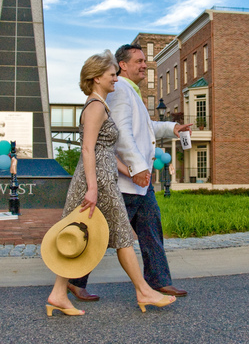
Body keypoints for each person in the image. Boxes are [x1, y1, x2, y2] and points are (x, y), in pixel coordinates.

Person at [45, 50, 176, 316]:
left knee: (86, 233)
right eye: (112, 74)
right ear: (96, 78)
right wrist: (92, 188)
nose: (116, 79)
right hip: (97, 181)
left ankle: (59, 293)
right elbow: (88, 150)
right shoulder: (95, 107)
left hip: (105, 177)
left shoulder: (102, 105)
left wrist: (126, 170)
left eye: (116, 74)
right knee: (119, 236)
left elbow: (104, 151)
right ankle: (144, 290)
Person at [68, 44, 191, 302]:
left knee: (150, 229)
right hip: (124, 181)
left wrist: (173, 127)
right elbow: (121, 132)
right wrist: (136, 168)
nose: (145, 65)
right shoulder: (120, 90)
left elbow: (144, 128)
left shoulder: (128, 91)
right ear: (123, 65)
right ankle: (73, 280)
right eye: (139, 60)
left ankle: (158, 282)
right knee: (101, 235)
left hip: (138, 183)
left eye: (145, 61)